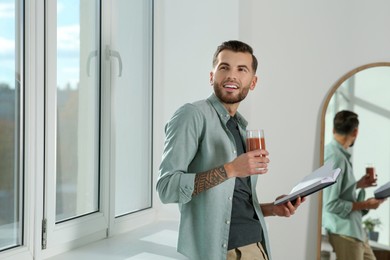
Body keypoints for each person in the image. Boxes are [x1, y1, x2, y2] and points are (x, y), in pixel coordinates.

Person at [156, 40, 303, 260]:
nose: (231, 76)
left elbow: (232, 204)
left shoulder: (241, 129)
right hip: (225, 252)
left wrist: (273, 209)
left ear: (253, 82)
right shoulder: (191, 115)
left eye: (241, 69)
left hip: (257, 245)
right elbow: (166, 189)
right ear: (211, 76)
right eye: (224, 67)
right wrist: (230, 169)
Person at [322, 110, 386, 260]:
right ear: (355, 131)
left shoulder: (340, 156)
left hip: (356, 232)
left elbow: (338, 191)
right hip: (345, 233)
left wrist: (359, 185)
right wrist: (366, 204)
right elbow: (330, 204)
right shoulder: (335, 157)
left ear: (333, 129)